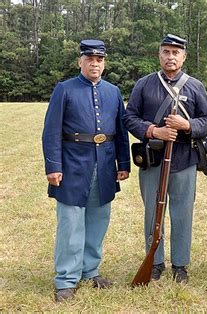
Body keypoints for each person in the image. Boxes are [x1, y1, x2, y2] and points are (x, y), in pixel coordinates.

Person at [42, 39, 130, 302]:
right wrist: (54, 166)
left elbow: (121, 132)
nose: (95, 63)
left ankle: (90, 271)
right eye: (90, 59)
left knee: (98, 222)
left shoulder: (113, 91)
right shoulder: (64, 89)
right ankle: (66, 280)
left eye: (99, 59)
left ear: (104, 63)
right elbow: (51, 131)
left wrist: (123, 164)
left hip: (103, 167)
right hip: (72, 166)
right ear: (80, 61)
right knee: (70, 225)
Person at [123, 34, 207, 284]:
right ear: (159, 54)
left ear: (183, 56)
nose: (170, 57)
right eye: (166, 52)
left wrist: (187, 125)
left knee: (182, 213)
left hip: (184, 158)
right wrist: (154, 131)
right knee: (153, 212)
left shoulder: (195, 86)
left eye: (175, 52)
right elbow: (130, 118)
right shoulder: (144, 84)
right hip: (153, 159)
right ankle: (155, 261)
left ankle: (180, 264)